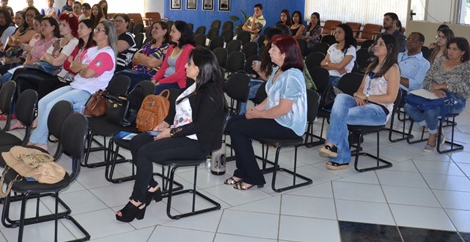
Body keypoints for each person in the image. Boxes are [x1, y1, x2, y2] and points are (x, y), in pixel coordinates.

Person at [115, 48, 226, 222]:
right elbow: (178, 108)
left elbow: (200, 125)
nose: (185, 67)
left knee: (145, 152)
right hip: (179, 133)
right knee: (137, 142)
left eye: (189, 64)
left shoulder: (211, 93)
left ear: (199, 68)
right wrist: (166, 122)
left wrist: (170, 133)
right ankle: (151, 186)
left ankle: (137, 200)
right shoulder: (194, 84)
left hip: (196, 143)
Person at [225, 36, 307, 189]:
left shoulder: (293, 76)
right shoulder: (278, 70)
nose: (269, 52)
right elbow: (270, 99)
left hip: (288, 125)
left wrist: (258, 115)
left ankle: (253, 176)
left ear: (284, 54)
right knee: (233, 123)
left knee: (238, 129)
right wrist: (255, 110)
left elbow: (283, 109)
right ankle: (242, 171)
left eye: (273, 49)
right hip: (276, 118)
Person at [28, 20, 117, 150]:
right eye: (96, 29)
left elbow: (86, 73)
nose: (95, 32)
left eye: (99, 30)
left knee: (52, 106)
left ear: (107, 35)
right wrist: (83, 67)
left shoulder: (106, 54)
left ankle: (36, 140)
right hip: (76, 85)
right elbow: (73, 67)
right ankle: (41, 141)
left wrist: (82, 67)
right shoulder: (91, 50)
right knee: (42, 102)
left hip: (89, 93)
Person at [318, 33, 400, 169]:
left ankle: (338, 153)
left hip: (379, 110)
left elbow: (391, 97)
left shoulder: (393, 69)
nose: (376, 46)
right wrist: (359, 95)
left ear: (390, 49)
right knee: (341, 98)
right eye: (376, 43)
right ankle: (333, 147)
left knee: (340, 116)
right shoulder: (371, 66)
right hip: (364, 103)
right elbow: (361, 89)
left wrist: (366, 97)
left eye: (381, 44)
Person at [404, 37, 470, 152]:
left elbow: (465, 87)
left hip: (456, 99)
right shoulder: (439, 61)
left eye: (455, 49)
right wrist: (435, 89)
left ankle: (432, 137)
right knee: (408, 106)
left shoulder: (468, 68)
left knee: (431, 110)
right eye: (449, 48)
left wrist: (444, 86)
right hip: (433, 94)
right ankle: (435, 129)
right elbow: (427, 80)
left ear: (463, 52)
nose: (450, 51)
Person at [118, 21, 170, 89]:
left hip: (149, 75)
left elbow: (152, 63)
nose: (153, 30)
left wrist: (141, 56)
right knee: (119, 75)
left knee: (121, 76)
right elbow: (134, 58)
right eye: (153, 28)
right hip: (135, 71)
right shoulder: (148, 44)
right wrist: (147, 58)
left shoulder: (166, 47)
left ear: (164, 31)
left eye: (156, 28)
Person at [151, 20, 196, 94]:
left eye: (173, 31)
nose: (170, 34)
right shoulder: (172, 47)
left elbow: (180, 75)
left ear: (182, 33)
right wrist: (154, 79)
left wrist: (160, 82)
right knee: (145, 87)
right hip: (165, 79)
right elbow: (163, 68)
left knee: (154, 91)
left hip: (177, 83)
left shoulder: (189, 49)